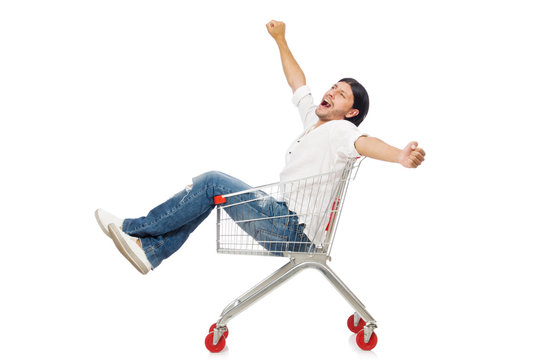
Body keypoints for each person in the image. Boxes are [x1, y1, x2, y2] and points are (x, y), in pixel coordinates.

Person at [95, 20, 426, 275]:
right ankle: (151, 251)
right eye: (333, 87)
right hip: (285, 221)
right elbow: (299, 85)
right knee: (212, 193)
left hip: (288, 226)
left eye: (340, 94)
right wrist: (281, 40)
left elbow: (365, 143)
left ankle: (133, 229)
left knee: (212, 181)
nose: (331, 92)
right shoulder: (317, 123)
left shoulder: (341, 130)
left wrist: (398, 155)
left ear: (351, 113)